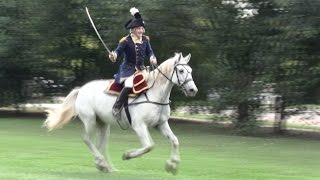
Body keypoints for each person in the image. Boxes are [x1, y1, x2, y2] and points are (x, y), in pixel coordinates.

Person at [108, 7, 157, 119]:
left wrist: (152, 58)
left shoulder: (145, 39)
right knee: (129, 84)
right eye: (139, 29)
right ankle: (117, 107)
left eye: (142, 29)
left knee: (154, 81)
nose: (141, 31)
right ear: (133, 29)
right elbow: (117, 51)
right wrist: (113, 55)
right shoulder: (125, 41)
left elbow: (150, 52)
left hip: (142, 69)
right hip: (128, 70)